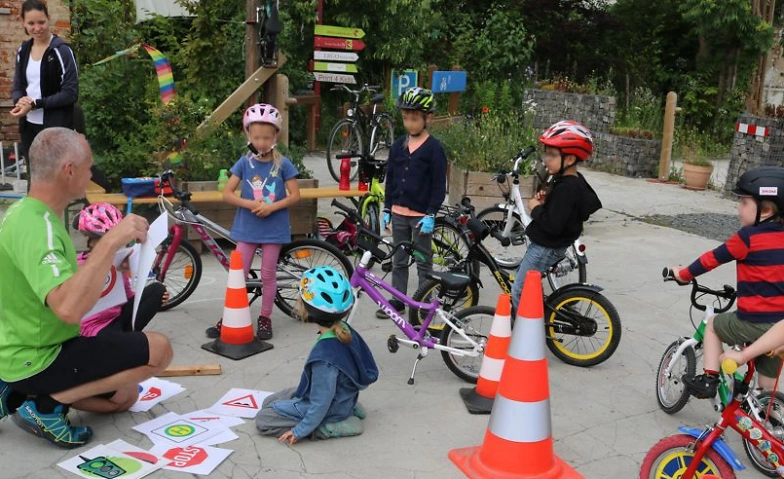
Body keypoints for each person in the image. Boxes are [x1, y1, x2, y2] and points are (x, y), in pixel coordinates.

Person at [0, 128, 173, 448]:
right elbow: (68, 308)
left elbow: (57, 287)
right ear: (69, 170)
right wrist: (110, 241)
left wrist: (109, 263)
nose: (91, 175)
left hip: (27, 346)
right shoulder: (40, 227)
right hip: (40, 355)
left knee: (125, 397)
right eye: (89, 167)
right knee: (159, 350)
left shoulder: (26, 214)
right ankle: (44, 406)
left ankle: (16, 391)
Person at [675, 166, 784, 398]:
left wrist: (683, 275)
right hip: (779, 327)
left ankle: (709, 379)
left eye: (744, 203)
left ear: (765, 210)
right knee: (767, 387)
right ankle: (765, 409)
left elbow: (711, 259)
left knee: (713, 325)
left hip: (753, 321)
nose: (738, 208)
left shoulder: (747, 238)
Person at [205, 103, 300, 340]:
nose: (261, 143)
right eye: (257, 137)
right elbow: (227, 194)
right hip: (247, 229)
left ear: (275, 136)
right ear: (248, 135)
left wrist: (271, 207)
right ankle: (230, 316)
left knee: (268, 276)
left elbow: (295, 195)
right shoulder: (244, 163)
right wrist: (251, 204)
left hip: (273, 230)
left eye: (267, 138)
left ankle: (265, 317)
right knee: (238, 275)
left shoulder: (283, 164)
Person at [255, 266, 378, 443]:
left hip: (331, 408)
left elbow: (321, 403)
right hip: (343, 396)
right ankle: (348, 407)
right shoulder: (345, 329)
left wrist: (300, 431)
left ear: (307, 309)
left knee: (264, 419)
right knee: (269, 401)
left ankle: (334, 426)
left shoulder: (325, 360)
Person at [510, 120, 602, 313]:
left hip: (545, 247)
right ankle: (536, 315)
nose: (546, 159)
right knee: (530, 283)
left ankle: (527, 326)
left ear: (569, 159)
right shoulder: (574, 181)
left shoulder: (565, 189)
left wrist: (536, 208)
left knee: (519, 291)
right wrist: (548, 203)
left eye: (552, 154)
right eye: (546, 153)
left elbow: (552, 225)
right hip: (556, 245)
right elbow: (567, 212)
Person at [377, 87, 447, 319]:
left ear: (428, 118)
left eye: (415, 119)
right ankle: (398, 300)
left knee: (423, 261)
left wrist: (431, 214)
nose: (409, 123)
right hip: (398, 213)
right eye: (406, 118)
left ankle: (424, 303)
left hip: (420, 217)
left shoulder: (434, 149)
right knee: (399, 260)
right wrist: (387, 209)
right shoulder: (398, 145)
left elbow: (438, 186)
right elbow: (391, 179)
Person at [75, 202, 168, 337]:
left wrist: (155, 299)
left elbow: (128, 298)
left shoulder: (117, 260)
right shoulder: (80, 265)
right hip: (94, 328)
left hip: (117, 319)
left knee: (158, 290)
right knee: (140, 343)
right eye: (103, 241)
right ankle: (123, 341)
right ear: (90, 242)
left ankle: (125, 338)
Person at [10, 0, 78, 179]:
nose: (37, 28)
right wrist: (19, 100)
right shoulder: (23, 50)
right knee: (34, 178)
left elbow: (70, 93)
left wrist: (36, 104)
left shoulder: (61, 51)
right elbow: (18, 85)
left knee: (56, 179)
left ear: (49, 19)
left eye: (41, 22)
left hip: (56, 127)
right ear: (23, 23)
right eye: (31, 23)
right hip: (29, 127)